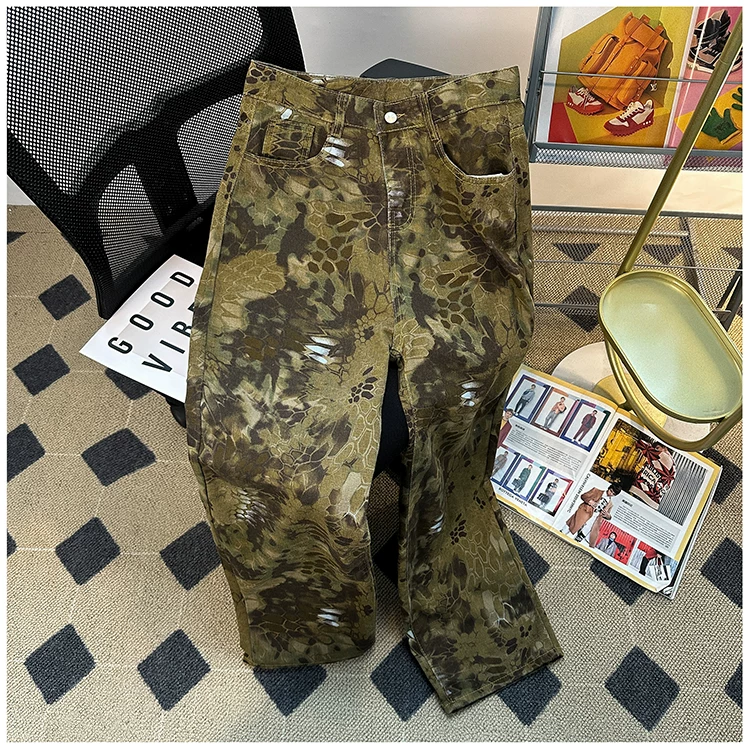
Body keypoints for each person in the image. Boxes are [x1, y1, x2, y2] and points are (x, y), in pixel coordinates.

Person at [630, 440, 675, 509]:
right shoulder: (672, 466)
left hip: (643, 494)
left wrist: (647, 444)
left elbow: (642, 444)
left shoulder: (665, 456)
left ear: (665, 448)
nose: (655, 450)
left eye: (657, 448)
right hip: (652, 501)